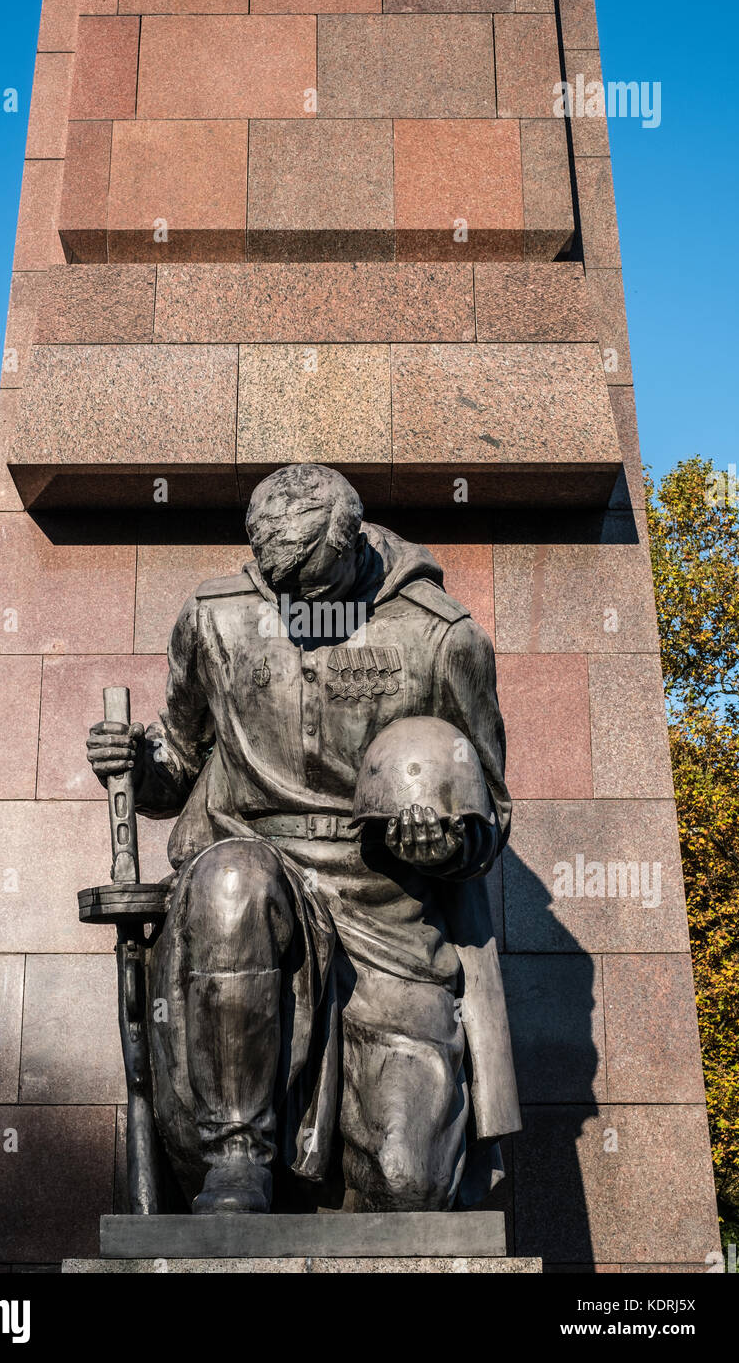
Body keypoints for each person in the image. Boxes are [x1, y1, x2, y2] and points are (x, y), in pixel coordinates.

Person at [87, 464, 519, 1214]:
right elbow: (181, 765)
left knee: (410, 1186)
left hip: (386, 905)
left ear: (354, 550)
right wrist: (137, 763)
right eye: (279, 589)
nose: (298, 609)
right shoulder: (212, 618)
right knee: (232, 882)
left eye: (315, 592)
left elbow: (491, 816)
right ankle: (235, 1157)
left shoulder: (440, 634)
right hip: (254, 870)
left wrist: (442, 844)